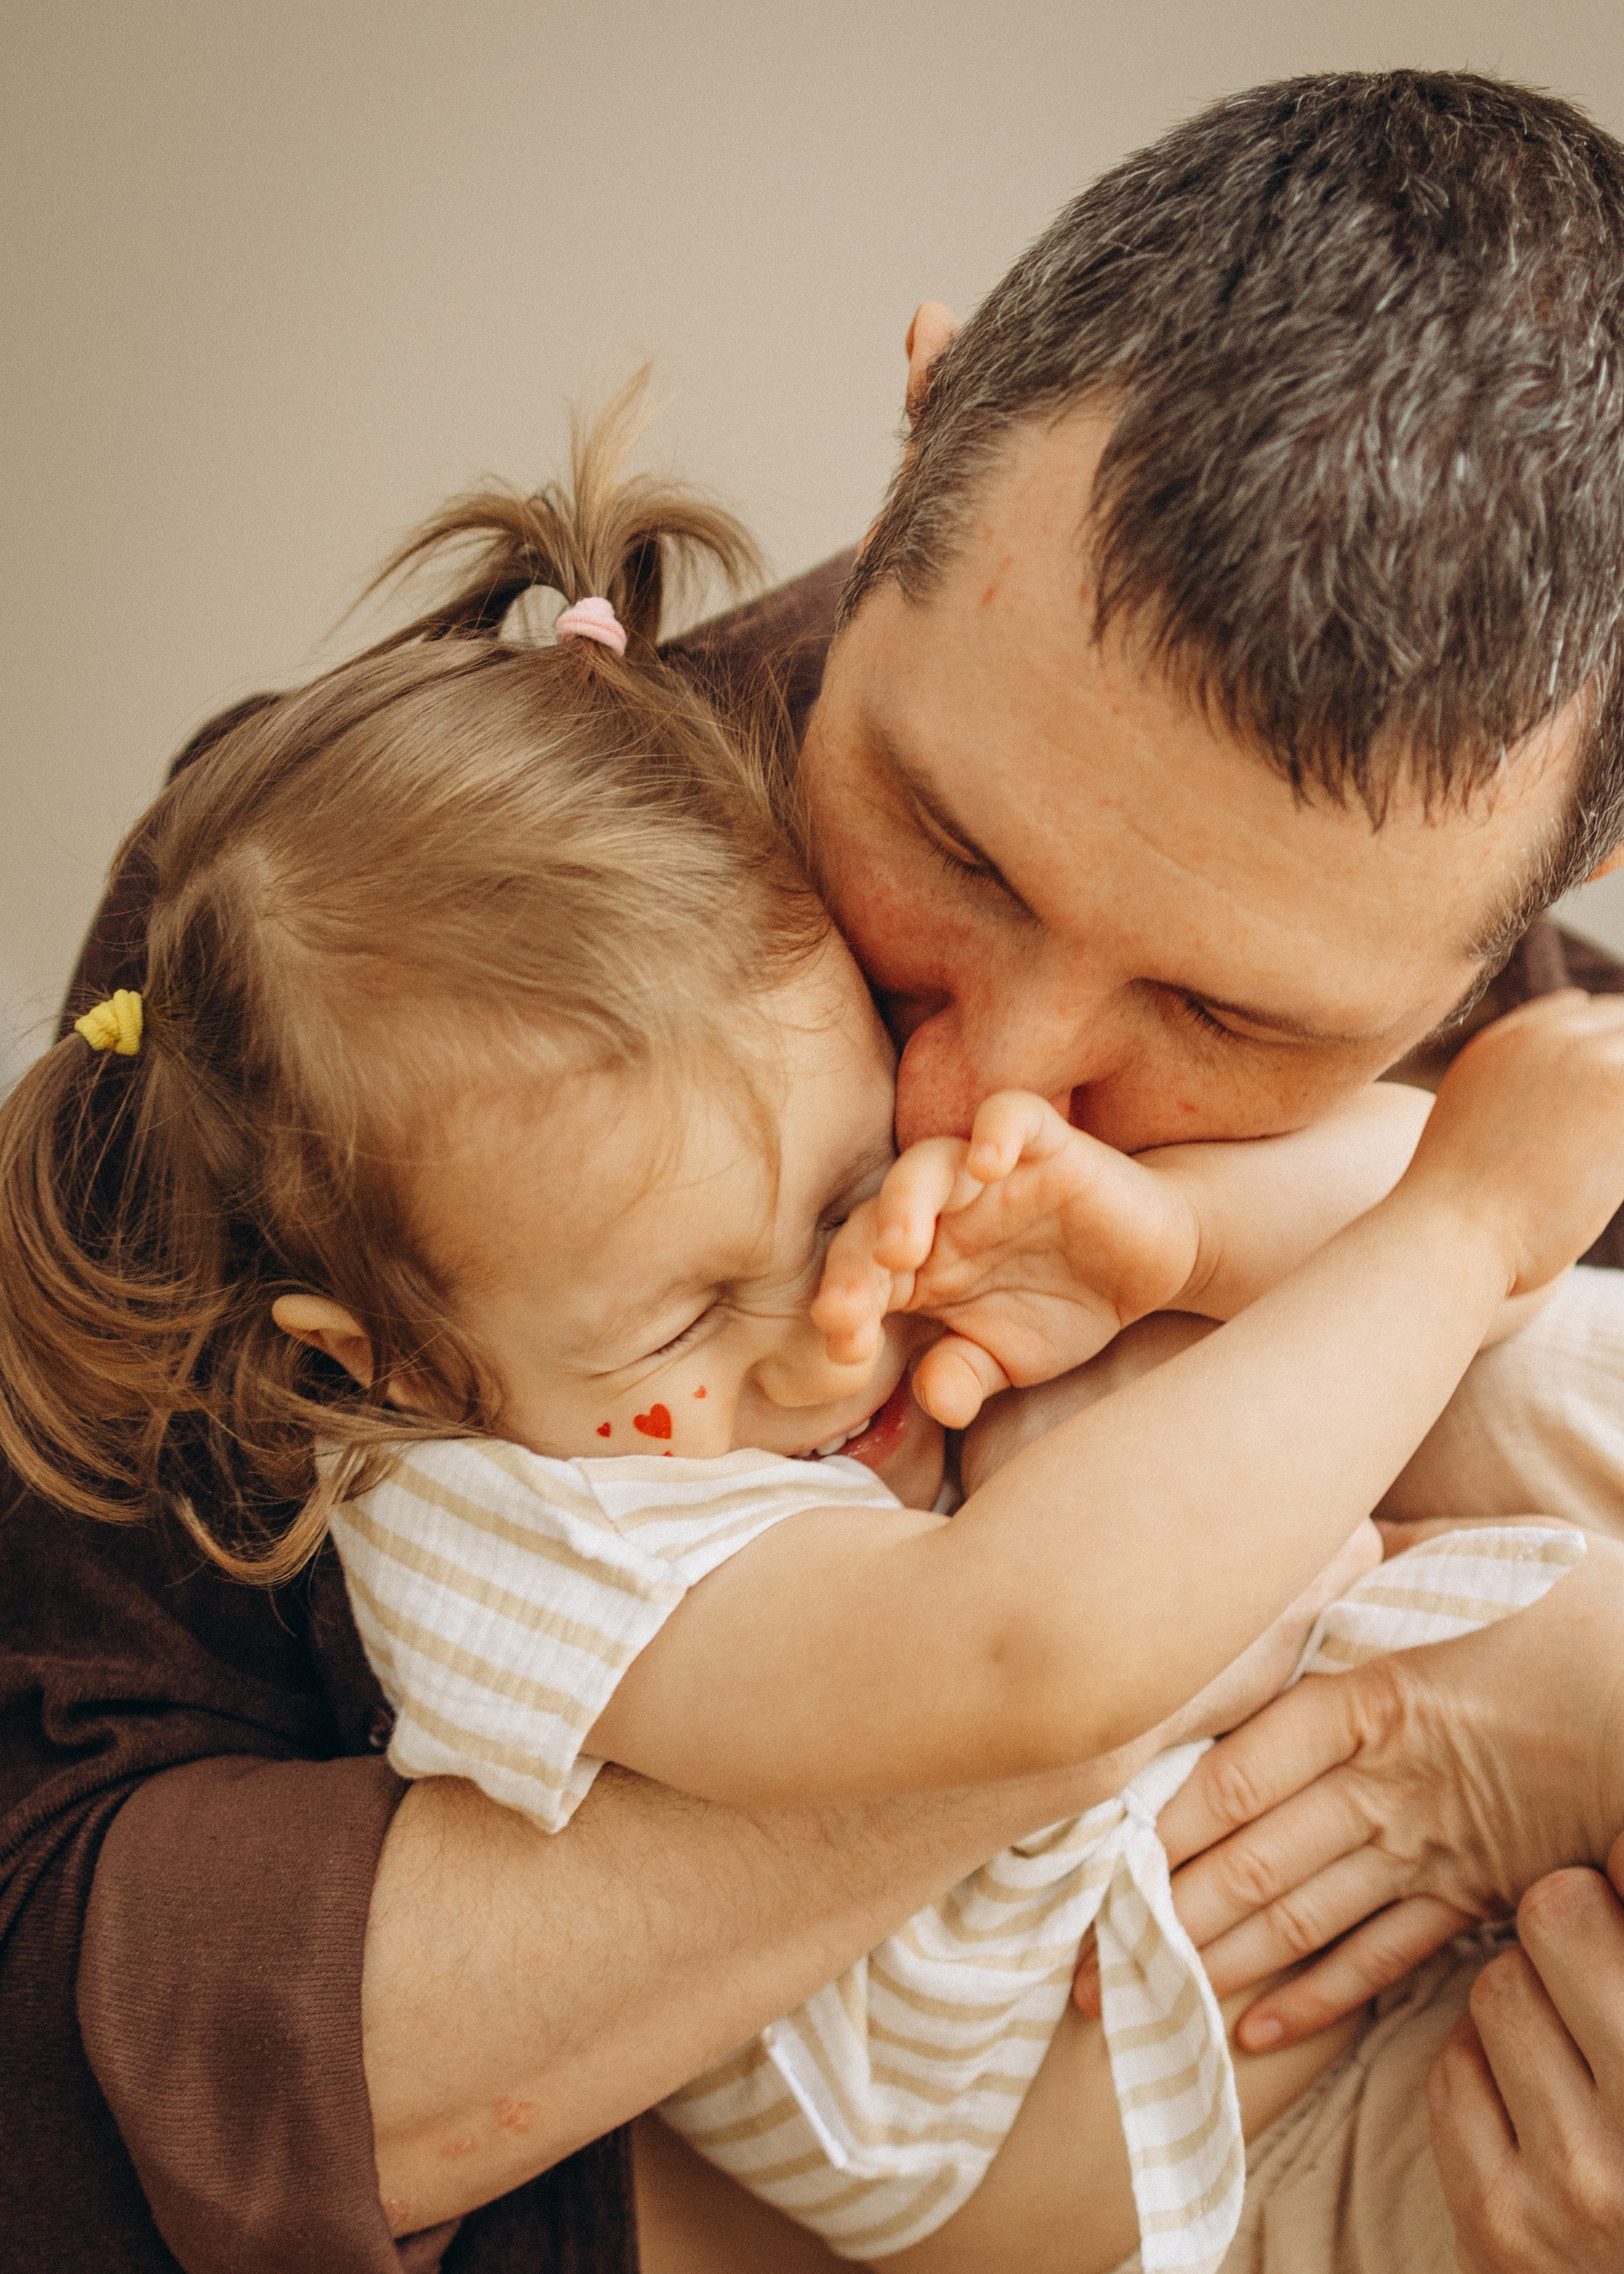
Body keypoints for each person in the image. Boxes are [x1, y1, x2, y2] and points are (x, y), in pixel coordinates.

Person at [6, 62, 1624, 2273]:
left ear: (1522, 915)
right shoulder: (353, 982)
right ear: (925, 429)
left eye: (1225, 1021)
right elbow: (49, 2038)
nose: (990, 1109)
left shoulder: (1544, 1084)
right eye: (948, 846)